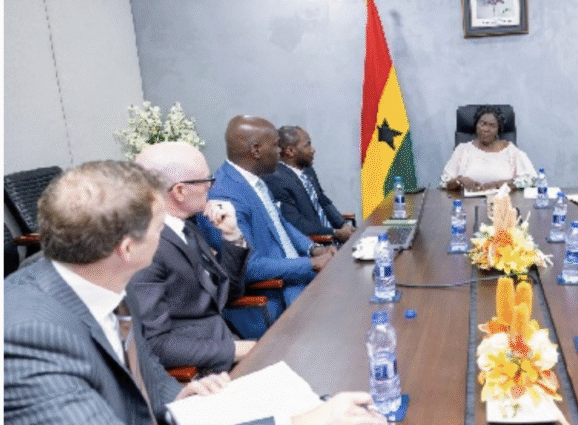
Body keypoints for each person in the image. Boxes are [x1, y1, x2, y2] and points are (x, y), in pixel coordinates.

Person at [4, 160, 385, 425]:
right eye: (160, 228)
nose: (168, 235)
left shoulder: (103, 280)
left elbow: (147, 373)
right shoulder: (30, 337)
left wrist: (178, 400)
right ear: (127, 249)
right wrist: (298, 422)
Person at [130, 142, 257, 373]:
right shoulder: (145, 247)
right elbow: (155, 344)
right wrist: (236, 350)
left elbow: (227, 294)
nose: (210, 186)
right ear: (179, 191)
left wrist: (231, 236)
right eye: (206, 180)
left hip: (223, 344)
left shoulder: (186, 227)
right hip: (199, 374)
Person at [201, 115, 335, 322]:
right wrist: (310, 263)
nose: (281, 152)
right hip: (275, 296)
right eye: (276, 145)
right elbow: (248, 267)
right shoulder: (225, 195)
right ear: (256, 150)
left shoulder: (256, 180)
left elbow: (280, 223)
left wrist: (313, 248)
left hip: (296, 276)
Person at [263, 126, 355, 245]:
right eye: (307, 145)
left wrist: (343, 225)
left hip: (333, 236)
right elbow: (296, 223)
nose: (313, 150)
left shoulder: (307, 169)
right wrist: (335, 233)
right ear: (290, 151)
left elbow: (323, 201)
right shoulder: (275, 179)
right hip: (318, 243)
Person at [440, 105, 537, 191]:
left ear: (498, 129)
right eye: (483, 124)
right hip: (468, 203)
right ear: (476, 126)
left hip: (502, 202)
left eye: (492, 126)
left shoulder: (511, 151)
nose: (486, 129)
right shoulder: (463, 149)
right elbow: (443, 181)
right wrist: (459, 181)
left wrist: (498, 184)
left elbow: (531, 179)